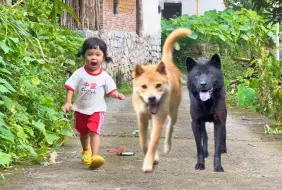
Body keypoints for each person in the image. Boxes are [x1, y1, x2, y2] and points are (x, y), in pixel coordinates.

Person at [62, 37, 125, 169]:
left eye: (97, 54)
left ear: (103, 57)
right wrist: (68, 102)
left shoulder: (105, 77)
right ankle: (86, 151)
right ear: (84, 56)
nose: (93, 58)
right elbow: (70, 88)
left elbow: (111, 90)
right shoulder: (79, 73)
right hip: (80, 109)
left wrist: (117, 94)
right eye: (90, 54)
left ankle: (95, 156)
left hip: (97, 109)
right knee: (83, 133)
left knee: (94, 131)